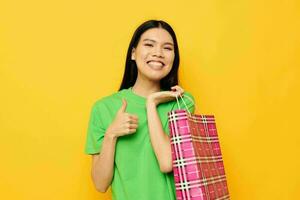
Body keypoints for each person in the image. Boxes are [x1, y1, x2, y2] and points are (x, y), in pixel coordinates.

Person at [84, 19, 195, 200]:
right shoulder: (104, 108)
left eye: (167, 48)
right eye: (149, 45)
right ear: (134, 53)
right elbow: (100, 184)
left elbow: (167, 162)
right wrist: (111, 134)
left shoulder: (182, 102)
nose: (158, 53)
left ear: (174, 58)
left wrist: (151, 104)